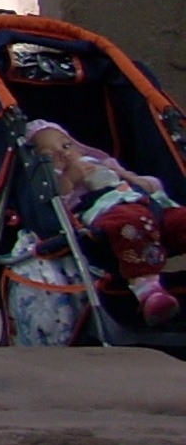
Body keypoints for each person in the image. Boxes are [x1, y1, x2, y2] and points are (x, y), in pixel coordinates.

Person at [27, 118, 186, 325]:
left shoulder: (102, 163)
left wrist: (130, 178)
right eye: (51, 156)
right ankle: (148, 290)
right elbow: (57, 211)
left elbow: (152, 186)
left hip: (151, 207)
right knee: (130, 225)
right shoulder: (57, 184)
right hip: (111, 215)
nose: (64, 154)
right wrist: (68, 180)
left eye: (66, 146)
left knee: (181, 219)